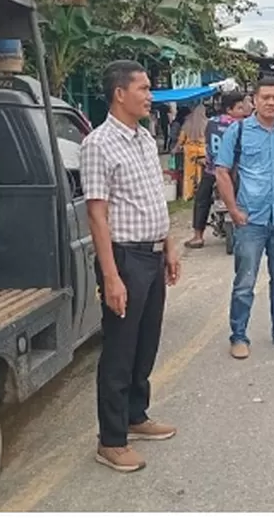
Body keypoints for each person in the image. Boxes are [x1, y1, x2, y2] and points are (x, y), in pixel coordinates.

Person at [81, 60, 181, 473]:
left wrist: (170, 245)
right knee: (120, 350)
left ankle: (137, 416)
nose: (149, 95)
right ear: (119, 93)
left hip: (153, 254)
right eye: (142, 88)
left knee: (146, 343)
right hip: (125, 257)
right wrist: (111, 276)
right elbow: (97, 214)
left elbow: (156, 198)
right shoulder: (98, 144)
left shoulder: (143, 137)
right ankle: (112, 439)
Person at [213, 76, 274, 360]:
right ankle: (239, 336)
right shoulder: (238, 132)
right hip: (250, 221)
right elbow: (221, 172)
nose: (270, 102)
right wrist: (234, 211)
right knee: (245, 282)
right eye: (265, 97)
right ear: (253, 100)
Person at [185, 91, 249, 249]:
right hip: (233, 171)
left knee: (202, 199)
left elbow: (207, 143)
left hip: (212, 169)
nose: (243, 111)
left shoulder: (211, 122)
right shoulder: (241, 126)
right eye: (240, 108)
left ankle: (198, 236)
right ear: (229, 110)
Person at [174, 104, 209, 202]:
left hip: (190, 151)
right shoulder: (207, 123)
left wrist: (177, 148)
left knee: (189, 174)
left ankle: (188, 195)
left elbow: (181, 138)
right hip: (202, 151)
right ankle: (201, 194)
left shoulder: (187, 123)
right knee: (201, 174)